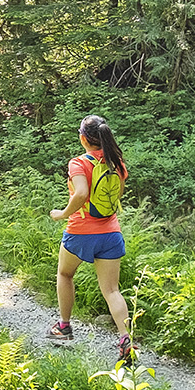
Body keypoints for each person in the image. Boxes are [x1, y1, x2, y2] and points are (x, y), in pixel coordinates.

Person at [48, 114, 133, 365]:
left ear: (84, 138)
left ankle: (64, 327)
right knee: (111, 290)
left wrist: (62, 214)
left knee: (65, 274)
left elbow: (82, 193)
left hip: (81, 231)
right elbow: (117, 195)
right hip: (110, 233)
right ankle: (125, 339)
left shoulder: (78, 163)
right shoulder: (117, 163)